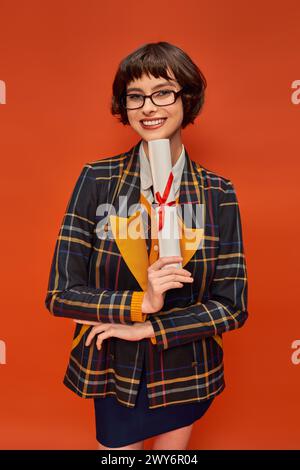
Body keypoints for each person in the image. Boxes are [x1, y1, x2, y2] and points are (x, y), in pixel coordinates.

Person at [45, 41, 248, 450]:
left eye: (163, 92)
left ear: (186, 99)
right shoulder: (97, 178)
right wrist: (141, 304)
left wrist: (151, 327)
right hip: (114, 369)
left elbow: (232, 305)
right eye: (135, 97)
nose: (148, 107)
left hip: (187, 368)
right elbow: (60, 295)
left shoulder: (217, 191)